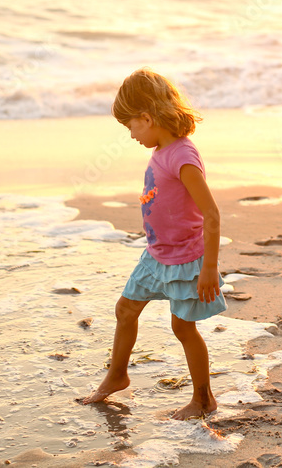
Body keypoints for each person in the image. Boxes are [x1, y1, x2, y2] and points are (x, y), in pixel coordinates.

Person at [80, 68, 226, 420]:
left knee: (182, 328)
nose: (130, 135)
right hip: (156, 255)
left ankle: (203, 398)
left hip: (185, 259)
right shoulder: (162, 149)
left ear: (146, 117)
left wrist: (209, 268)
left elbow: (212, 214)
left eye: (130, 126)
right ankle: (117, 374)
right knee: (125, 310)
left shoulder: (182, 156)